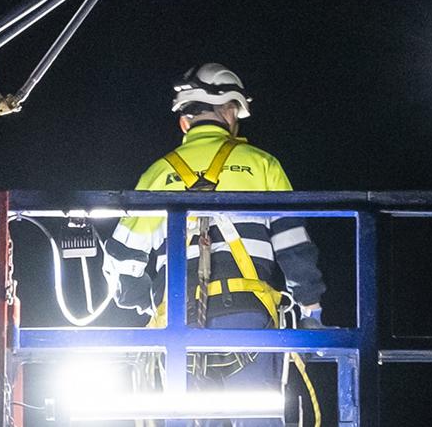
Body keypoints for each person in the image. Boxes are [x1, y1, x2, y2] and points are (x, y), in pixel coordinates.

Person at [102, 63, 326, 427]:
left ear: (185, 122)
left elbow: (122, 261)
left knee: (186, 419)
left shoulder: (158, 174)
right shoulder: (262, 164)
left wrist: (147, 303)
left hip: (179, 323)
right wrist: (311, 310)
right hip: (249, 320)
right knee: (258, 420)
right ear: (229, 111)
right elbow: (293, 246)